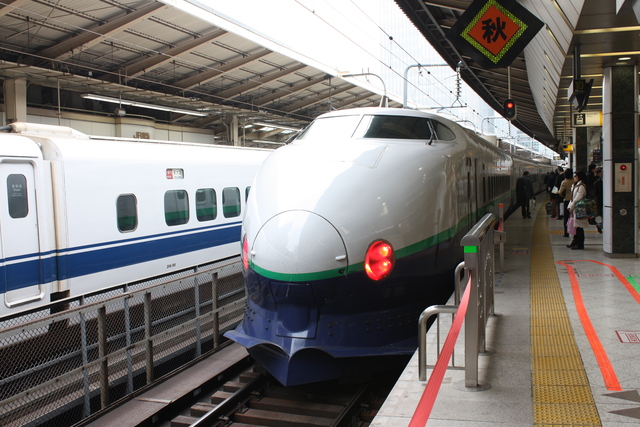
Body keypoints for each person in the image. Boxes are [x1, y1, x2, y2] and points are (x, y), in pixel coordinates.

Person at [567, 169, 589, 249]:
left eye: (575, 176)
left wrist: (571, 206)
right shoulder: (575, 185)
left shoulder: (581, 186)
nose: (574, 177)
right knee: (576, 227)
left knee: (579, 227)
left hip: (579, 209)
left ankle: (580, 244)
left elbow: (577, 198)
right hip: (575, 209)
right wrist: (570, 206)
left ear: (579, 176)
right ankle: (575, 242)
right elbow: (572, 198)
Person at [557, 168, 573, 237]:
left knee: (566, 217)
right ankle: (575, 231)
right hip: (574, 201)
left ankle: (566, 232)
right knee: (574, 217)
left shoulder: (564, 182)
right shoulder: (574, 181)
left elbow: (560, 192)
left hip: (567, 200)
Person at [594, 166, 603, 233]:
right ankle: (600, 225)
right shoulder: (598, 182)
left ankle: (600, 225)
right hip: (601, 201)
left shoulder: (600, 181)